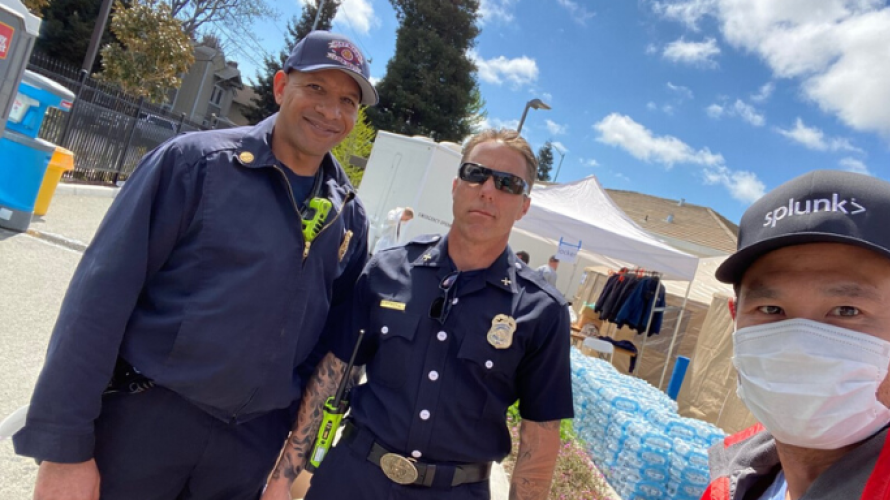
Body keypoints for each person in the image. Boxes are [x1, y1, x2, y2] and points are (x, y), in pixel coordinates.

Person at [13, 31, 377, 500]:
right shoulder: (195, 165)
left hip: (248, 450)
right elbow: (97, 305)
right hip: (145, 426)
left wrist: (288, 471)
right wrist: (64, 450)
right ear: (282, 86)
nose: (331, 111)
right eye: (317, 89)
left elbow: (329, 353)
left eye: (348, 100)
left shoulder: (349, 219)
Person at [262, 129, 574, 500]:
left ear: (524, 205)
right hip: (352, 480)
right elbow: (333, 374)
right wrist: (282, 479)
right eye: (477, 174)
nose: (488, 191)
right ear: (456, 185)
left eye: (508, 183)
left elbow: (539, 437)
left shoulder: (542, 310)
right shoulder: (386, 270)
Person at [703, 170, 890, 500]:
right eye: (771, 310)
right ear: (735, 321)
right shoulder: (741, 477)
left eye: (847, 310)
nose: (801, 349)